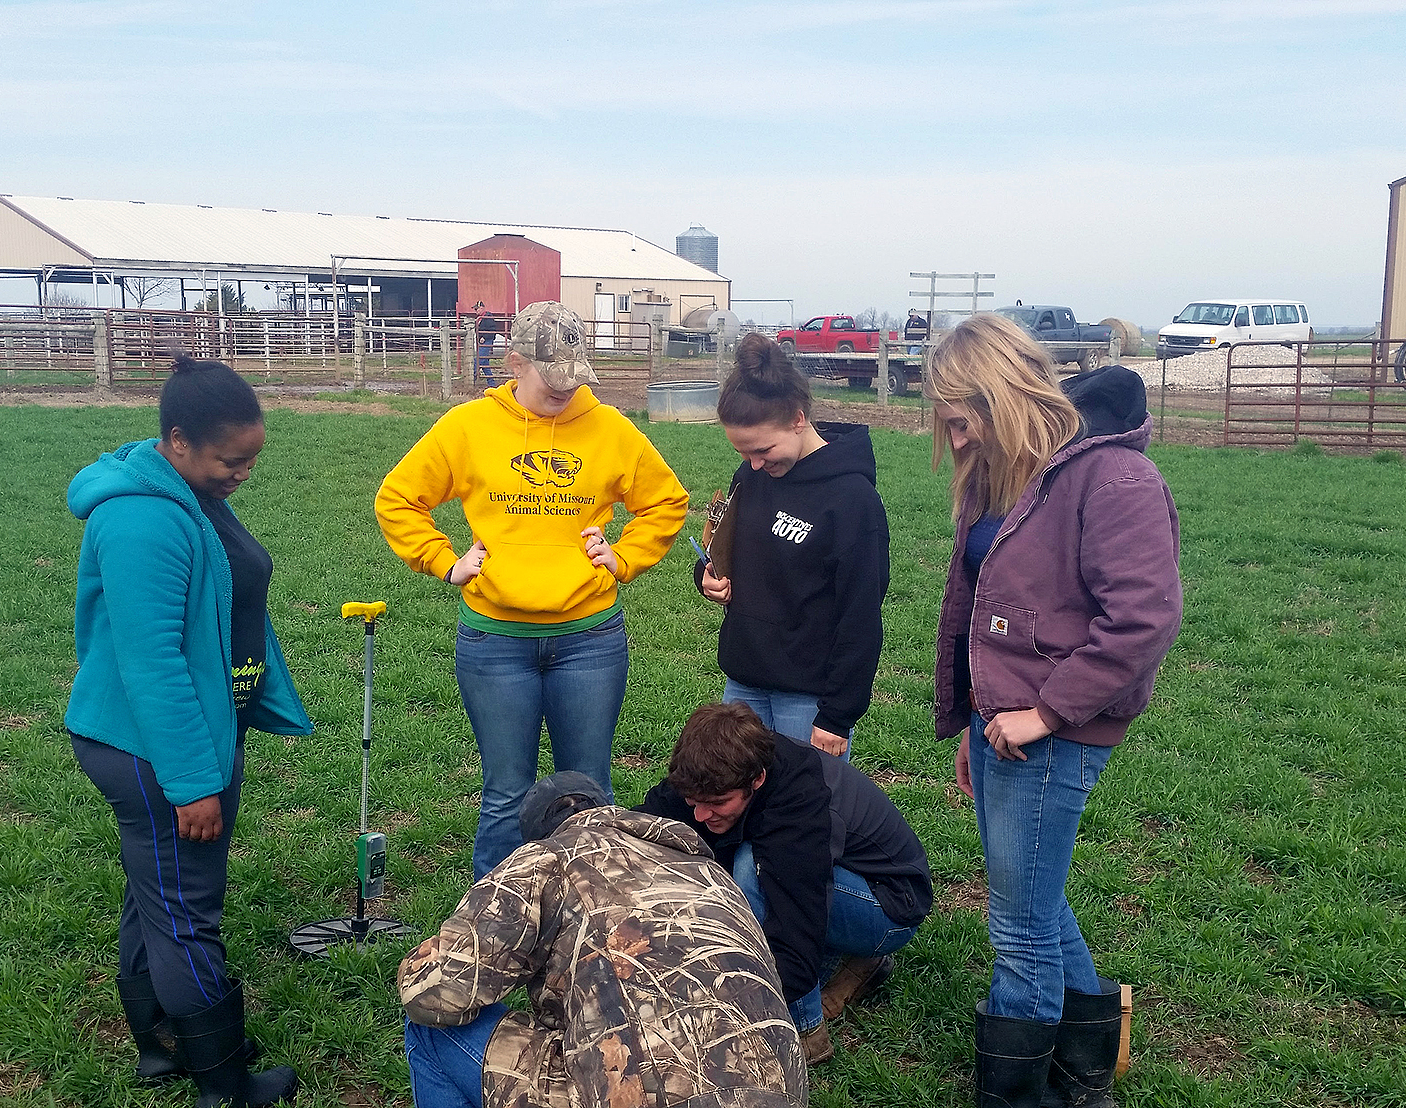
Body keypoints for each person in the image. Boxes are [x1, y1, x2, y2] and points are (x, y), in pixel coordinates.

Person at [926, 315, 1183, 1108]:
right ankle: (1085, 1076)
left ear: (996, 393)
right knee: (1033, 900)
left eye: (956, 412)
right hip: (1001, 726)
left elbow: (1143, 619)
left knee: (1019, 927)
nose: (949, 431)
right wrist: (975, 718)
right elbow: (979, 605)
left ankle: (1017, 1095)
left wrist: (1044, 713)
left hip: (1055, 731)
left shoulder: (1116, 480)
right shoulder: (999, 470)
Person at [65, 354, 314, 1108]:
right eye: (229, 460)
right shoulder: (142, 519)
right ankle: (225, 1083)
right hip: (153, 747)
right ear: (177, 441)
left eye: (251, 460)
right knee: (184, 912)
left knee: (156, 895)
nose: (242, 473)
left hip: (187, 735)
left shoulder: (186, 494)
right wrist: (192, 782)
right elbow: (152, 664)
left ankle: (161, 1045)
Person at [376, 300, 690, 878]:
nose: (566, 392)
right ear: (514, 362)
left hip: (590, 639)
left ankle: (591, 917)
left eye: (575, 376)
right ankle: (493, 925)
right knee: (506, 793)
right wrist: (444, 561)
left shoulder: (610, 428)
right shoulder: (468, 427)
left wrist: (621, 558)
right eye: (552, 379)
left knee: (590, 790)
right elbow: (398, 498)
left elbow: (666, 500)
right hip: (495, 642)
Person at [399, 772, 806, 1108]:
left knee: (430, 1029)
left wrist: (419, 960)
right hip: (778, 1092)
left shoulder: (543, 860)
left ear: (536, 838)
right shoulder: (713, 875)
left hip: (636, 1096)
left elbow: (437, 992)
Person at [639, 702, 934, 1065]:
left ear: (757, 780)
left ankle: (808, 1032)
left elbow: (797, 934)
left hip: (890, 906)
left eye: (716, 803)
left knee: (751, 869)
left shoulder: (797, 812)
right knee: (749, 866)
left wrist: (729, 1004)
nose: (701, 814)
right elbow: (648, 823)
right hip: (839, 877)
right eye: (692, 802)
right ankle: (861, 964)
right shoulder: (713, 768)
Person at [694, 332, 888, 757]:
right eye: (744, 454)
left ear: (798, 419)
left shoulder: (852, 500)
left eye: (763, 450)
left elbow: (861, 615)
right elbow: (726, 550)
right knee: (739, 809)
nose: (755, 464)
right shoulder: (751, 476)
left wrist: (837, 715)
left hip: (808, 699)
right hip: (743, 683)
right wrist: (707, 578)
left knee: (803, 817)